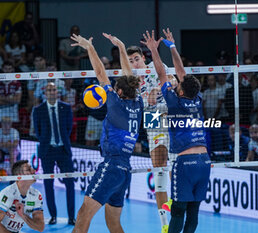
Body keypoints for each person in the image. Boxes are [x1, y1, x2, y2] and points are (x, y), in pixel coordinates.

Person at [70, 32, 143, 233]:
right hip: (124, 171)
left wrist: (89, 48)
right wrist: (121, 47)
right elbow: (129, 77)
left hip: (111, 166)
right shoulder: (139, 103)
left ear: (118, 92)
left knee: (83, 215)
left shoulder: (115, 104)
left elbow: (101, 73)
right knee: (113, 224)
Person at [143, 28, 211, 233]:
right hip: (205, 162)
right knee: (194, 211)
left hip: (186, 163)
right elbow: (181, 73)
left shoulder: (173, 102)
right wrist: (172, 46)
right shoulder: (198, 100)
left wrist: (154, 50)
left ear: (180, 90)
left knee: (179, 210)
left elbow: (162, 72)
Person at [127, 39, 175, 230]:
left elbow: (173, 80)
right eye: (130, 61)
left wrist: (157, 88)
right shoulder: (131, 80)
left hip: (168, 112)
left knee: (172, 161)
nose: (134, 63)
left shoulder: (156, 67)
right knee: (158, 167)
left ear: (143, 58)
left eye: (136, 59)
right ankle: (164, 224)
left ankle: (176, 199)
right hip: (152, 117)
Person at [33, 82, 75, 225]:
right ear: (45, 93)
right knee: (48, 184)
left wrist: (61, 141)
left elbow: (68, 128)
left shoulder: (66, 108)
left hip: (63, 150)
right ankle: (53, 216)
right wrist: (47, 142)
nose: (52, 92)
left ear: (58, 92)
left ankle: (71, 217)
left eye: (54, 90)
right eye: (49, 90)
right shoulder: (38, 110)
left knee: (70, 183)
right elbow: (38, 131)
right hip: (47, 150)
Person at [0, 160, 44, 232]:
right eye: (29, 169)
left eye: (32, 168)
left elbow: (40, 227)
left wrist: (23, 215)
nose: (34, 170)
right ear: (19, 176)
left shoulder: (36, 195)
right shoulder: (7, 194)